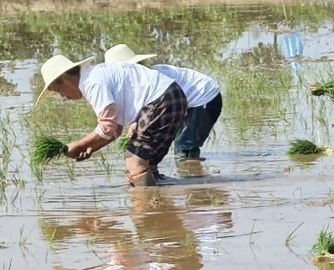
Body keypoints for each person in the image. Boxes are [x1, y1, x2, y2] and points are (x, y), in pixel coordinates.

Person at [38, 53, 187, 187]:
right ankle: (159, 204)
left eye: (58, 90)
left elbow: (107, 126)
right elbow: (115, 128)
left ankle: (148, 209)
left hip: (160, 100)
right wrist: (91, 147)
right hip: (174, 97)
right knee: (147, 161)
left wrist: (78, 145)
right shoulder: (96, 74)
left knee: (134, 161)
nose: (63, 96)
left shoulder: (92, 83)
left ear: (65, 79)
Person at [103, 45, 225, 163]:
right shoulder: (140, 79)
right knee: (181, 146)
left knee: (185, 147)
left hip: (205, 97)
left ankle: (195, 179)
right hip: (187, 102)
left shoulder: (153, 76)